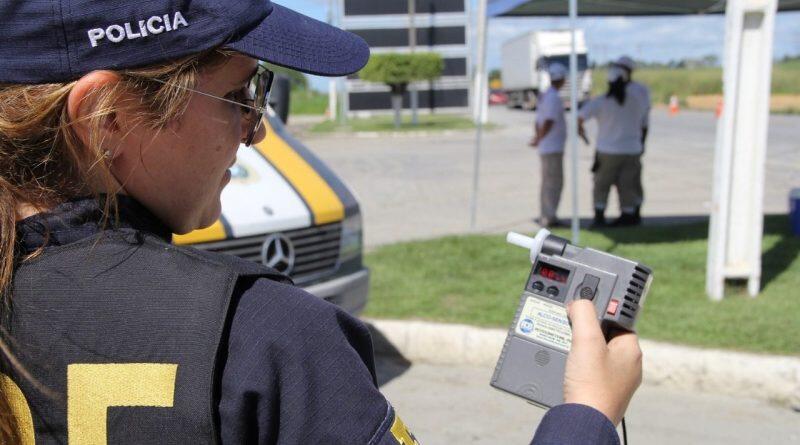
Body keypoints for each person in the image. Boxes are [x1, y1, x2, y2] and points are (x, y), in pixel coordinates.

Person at [0, 1, 642, 444]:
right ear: (106, 118)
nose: (255, 130)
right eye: (240, 96)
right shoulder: (266, 338)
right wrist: (585, 414)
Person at [579, 65, 650, 227]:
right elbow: (645, 125)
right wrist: (641, 144)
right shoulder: (638, 101)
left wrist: (583, 136)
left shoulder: (601, 101)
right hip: (632, 150)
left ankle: (599, 217)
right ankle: (628, 215)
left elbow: (579, 118)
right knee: (629, 185)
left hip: (607, 151)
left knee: (602, 185)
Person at [613, 56, 651, 223]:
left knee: (630, 182)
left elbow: (644, 120)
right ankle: (631, 211)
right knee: (629, 181)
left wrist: (642, 141)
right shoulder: (638, 90)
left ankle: (632, 212)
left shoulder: (637, 91)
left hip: (630, 144)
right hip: (629, 144)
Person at [530, 63, 568, 228]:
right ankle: (549, 217)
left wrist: (538, 137)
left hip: (548, 146)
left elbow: (538, 121)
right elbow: (548, 121)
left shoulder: (546, 95)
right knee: (553, 183)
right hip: (552, 147)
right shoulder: (552, 97)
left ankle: (547, 214)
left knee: (548, 183)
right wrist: (540, 138)